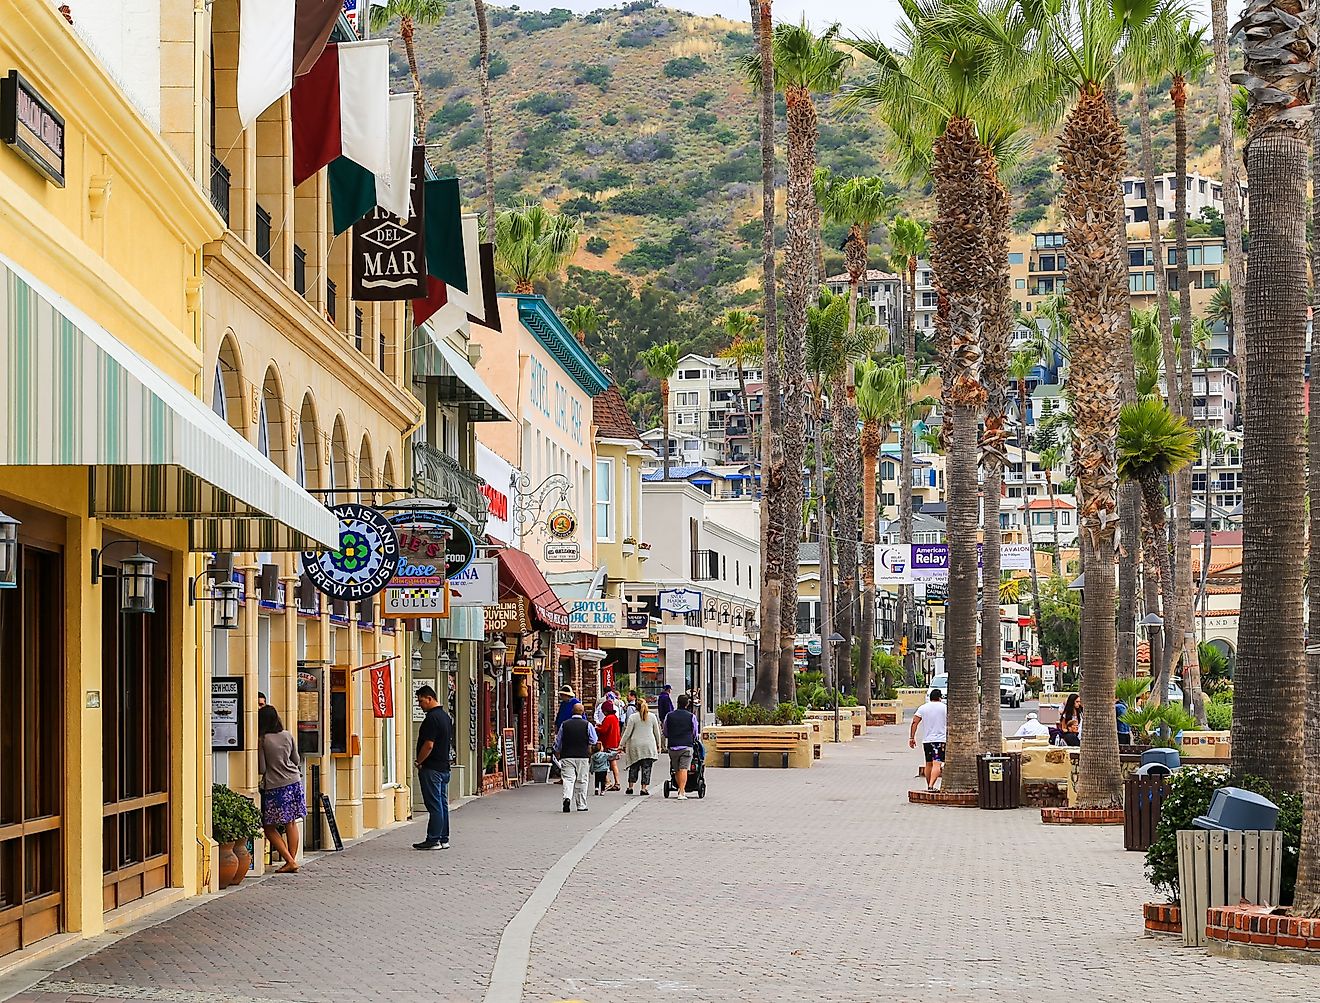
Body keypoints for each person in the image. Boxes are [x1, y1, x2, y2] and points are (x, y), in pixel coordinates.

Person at [256, 704, 305, 873]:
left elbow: (262, 768)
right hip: (294, 781)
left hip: (275, 786)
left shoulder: (263, 740)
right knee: (291, 822)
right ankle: (291, 862)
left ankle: (290, 861)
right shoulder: (287, 735)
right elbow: (296, 759)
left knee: (269, 826)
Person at [413, 686, 453, 850]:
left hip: (432, 768)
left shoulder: (431, 719)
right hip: (444, 767)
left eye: (421, 701)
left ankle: (433, 839)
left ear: (429, 698)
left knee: (434, 804)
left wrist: (419, 761)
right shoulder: (445, 717)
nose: (420, 705)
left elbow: (429, 745)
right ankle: (443, 838)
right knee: (442, 804)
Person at [555, 702, 597, 812]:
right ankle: (581, 804)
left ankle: (567, 798)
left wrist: (557, 751)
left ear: (572, 711)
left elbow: (558, 741)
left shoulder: (564, 724)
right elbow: (594, 740)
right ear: (582, 712)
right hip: (582, 756)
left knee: (568, 779)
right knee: (582, 780)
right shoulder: (587, 725)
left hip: (567, 755)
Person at [908, 688, 948, 792]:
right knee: (937, 763)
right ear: (940, 697)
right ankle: (931, 786)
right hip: (940, 740)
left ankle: (929, 785)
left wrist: (912, 737)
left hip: (927, 741)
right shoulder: (945, 708)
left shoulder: (923, 708)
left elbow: (914, 722)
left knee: (928, 763)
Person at [621, 695, 662, 795]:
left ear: (636, 707)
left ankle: (630, 787)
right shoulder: (652, 717)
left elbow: (627, 732)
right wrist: (659, 745)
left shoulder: (633, 717)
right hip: (649, 745)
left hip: (635, 745)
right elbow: (657, 732)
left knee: (634, 766)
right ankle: (644, 788)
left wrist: (621, 744)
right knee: (647, 767)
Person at [663, 693, 700, 800]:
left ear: (677, 703)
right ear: (687, 704)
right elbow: (695, 732)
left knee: (676, 769)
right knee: (684, 768)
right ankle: (682, 792)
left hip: (673, 746)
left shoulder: (669, 716)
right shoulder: (691, 716)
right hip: (686, 746)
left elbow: (665, 731)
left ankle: (680, 788)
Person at [595, 699, 623, 791]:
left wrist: (597, 727)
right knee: (613, 763)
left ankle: (608, 781)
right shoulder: (615, 718)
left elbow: (604, 730)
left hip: (608, 743)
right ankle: (617, 782)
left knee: (604, 763)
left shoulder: (608, 718)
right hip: (615, 743)